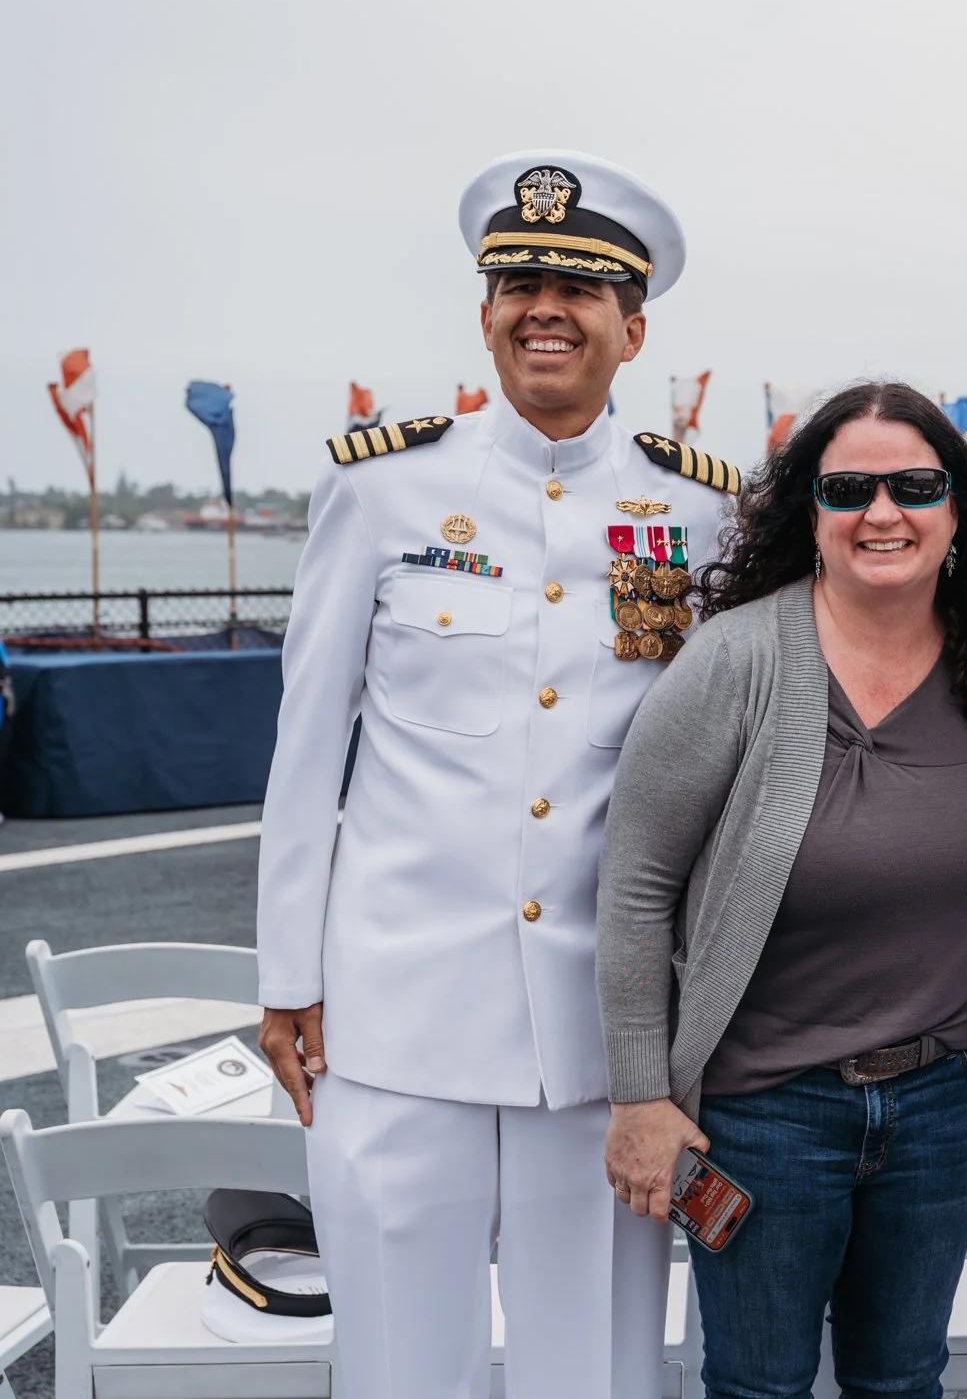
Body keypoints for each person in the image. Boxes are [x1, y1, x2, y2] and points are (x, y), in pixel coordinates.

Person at [254, 150, 739, 1399]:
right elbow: (307, 753)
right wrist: (287, 980)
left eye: (580, 290)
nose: (545, 307)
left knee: (600, 1370)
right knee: (400, 1365)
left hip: (602, 1040)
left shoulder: (702, 516)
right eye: (519, 281)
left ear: (633, 330)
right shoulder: (382, 485)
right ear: (483, 314)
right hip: (395, 1021)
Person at [595, 381, 967, 1399]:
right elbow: (635, 888)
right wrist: (640, 1096)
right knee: (758, 1384)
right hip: (763, 1111)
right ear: (810, 513)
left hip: (941, 1098)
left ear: (958, 507)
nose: (883, 513)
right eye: (849, 489)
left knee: (903, 1378)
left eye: (915, 485)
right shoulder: (735, 659)